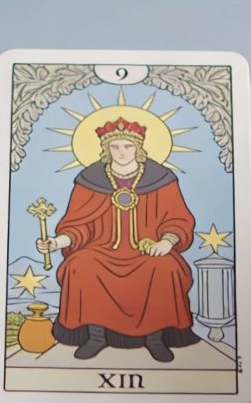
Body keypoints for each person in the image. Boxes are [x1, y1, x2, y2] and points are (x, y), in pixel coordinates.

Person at [42, 120, 200, 362]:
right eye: (115, 147)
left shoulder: (162, 178)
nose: (122, 152)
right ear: (106, 149)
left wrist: (167, 241)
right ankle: (96, 337)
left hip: (148, 250)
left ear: (138, 148)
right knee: (81, 265)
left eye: (127, 146)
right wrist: (58, 242)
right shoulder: (90, 179)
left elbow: (177, 218)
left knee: (165, 267)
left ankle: (155, 338)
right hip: (101, 250)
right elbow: (79, 224)